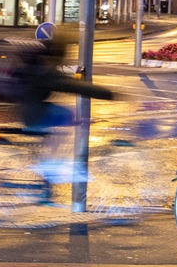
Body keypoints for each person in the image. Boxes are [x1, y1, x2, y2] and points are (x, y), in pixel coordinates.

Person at [11, 26, 114, 203]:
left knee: (57, 124)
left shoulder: (37, 63)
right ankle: (49, 166)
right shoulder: (46, 69)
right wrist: (107, 93)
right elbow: (72, 86)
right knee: (67, 114)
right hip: (33, 113)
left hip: (25, 109)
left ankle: (46, 182)